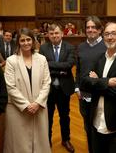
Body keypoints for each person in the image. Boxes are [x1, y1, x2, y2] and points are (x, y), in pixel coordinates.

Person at [81, 22, 116, 153]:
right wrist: (106, 82)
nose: (109, 37)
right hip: (96, 121)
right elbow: (84, 82)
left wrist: (96, 82)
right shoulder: (99, 58)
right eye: (106, 34)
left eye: (114, 34)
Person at [3, 27, 51, 153]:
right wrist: (26, 105)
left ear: (33, 40)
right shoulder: (11, 61)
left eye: (28, 39)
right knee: (19, 144)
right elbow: (10, 87)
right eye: (22, 40)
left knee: (40, 143)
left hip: (38, 107)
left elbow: (47, 83)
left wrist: (37, 103)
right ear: (18, 42)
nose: (26, 43)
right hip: (18, 109)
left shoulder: (42, 59)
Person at [39, 23, 75, 153]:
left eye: (57, 33)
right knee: (47, 117)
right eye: (52, 33)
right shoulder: (43, 48)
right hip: (47, 90)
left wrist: (52, 66)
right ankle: (46, 141)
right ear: (48, 35)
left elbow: (69, 64)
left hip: (64, 89)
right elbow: (43, 67)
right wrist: (60, 71)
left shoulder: (70, 47)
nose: (54, 36)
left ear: (62, 34)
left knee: (65, 116)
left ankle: (66, 139)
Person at [75, 15, 106, 153]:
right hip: (84, 95)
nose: (90, 30)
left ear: (100, 30)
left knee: (99, 128)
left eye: (94, 27)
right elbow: (79, 69)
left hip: (100, 95)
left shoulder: (106, 45)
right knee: (87, 127)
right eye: (88, 27)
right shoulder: (81, 47)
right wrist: (77, 87)